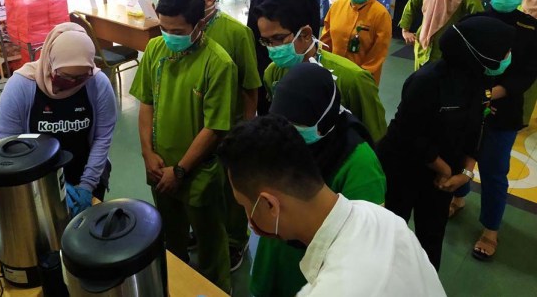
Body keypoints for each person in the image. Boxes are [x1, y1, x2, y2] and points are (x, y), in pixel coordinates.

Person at [217, 114, 446, 297]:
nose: (248, 218)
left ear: (270, 205)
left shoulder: (330, 290)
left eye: (244, 205)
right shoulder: (381, 216)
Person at [377, 16, 516, 270]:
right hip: (403, 167)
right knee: (390, 232)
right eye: (504, 51)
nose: (508, 57)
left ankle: (425, 283)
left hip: (443, 176)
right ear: (479, 53)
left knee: (431, 237)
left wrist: (465, 172)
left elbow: (477, 126)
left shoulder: (480, 79)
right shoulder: (427, 80)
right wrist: (444, 169)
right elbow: (407, 133)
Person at [129, 0, 236, 293]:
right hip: (158, 166)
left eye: (176, 31)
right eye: (163, 28)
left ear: (199, 24)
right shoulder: (155, 49)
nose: (168, 36)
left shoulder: (218, 63)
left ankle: (216, 289)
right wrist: (147, 153)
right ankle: (175, 285)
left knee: (210, 242)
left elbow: (214, 128)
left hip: (198, 172)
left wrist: (180, 171)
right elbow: (146, 102)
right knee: (169, 236)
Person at [250, 63, 386, 297]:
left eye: (298, 126)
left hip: (318, 272)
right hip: (275, 252)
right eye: (282, 122)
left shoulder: (359, 164)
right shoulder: (282, 136)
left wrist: (292, 228)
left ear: (324, 121)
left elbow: (363, 241)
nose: (288, 132)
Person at [173, 0, 261, 270]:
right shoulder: (181, 32)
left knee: (230, 189)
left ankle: (235, 240)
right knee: (200, 187)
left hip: (228, 127)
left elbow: (250, 86)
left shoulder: (236, 33)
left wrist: (245, 131)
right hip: (196, 123)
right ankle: (203, 231)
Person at [448, 0, 537, 260]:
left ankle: (490, 229)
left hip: (504, 110)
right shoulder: (474, 21)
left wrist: (490, 94)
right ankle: (459, 198)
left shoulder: (530, 29)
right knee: (460, 156)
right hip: (467, 105)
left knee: (494, 171)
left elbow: (526, 75)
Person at [0, 23, 117, 213]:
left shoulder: (97, 84)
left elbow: (102, 138)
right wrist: (49, 183)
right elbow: (9, 144)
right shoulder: (20, 86)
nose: (73, 83)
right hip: (36, 182)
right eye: (66, 76)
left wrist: (87, 185)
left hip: (87, 175)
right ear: (50, 63)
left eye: (81, 77)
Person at [256, 0, 387, 142]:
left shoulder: (352, 80)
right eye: (267, 41)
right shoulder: (273, 73)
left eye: (278, 38)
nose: (272, 47)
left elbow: (375, 135)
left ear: (305, 34)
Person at [246, 0, 319, 115]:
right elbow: (253, 43)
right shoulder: (258, 2)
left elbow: (313, 38)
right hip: (266, 74)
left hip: (301, 71)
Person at [320, 0, 391, 84]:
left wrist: (361, 74)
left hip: (361, 75)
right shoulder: (338, 5)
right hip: (333, 70)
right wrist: (323, 63)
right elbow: (326, 39)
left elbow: (379, 51)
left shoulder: (381, 14)